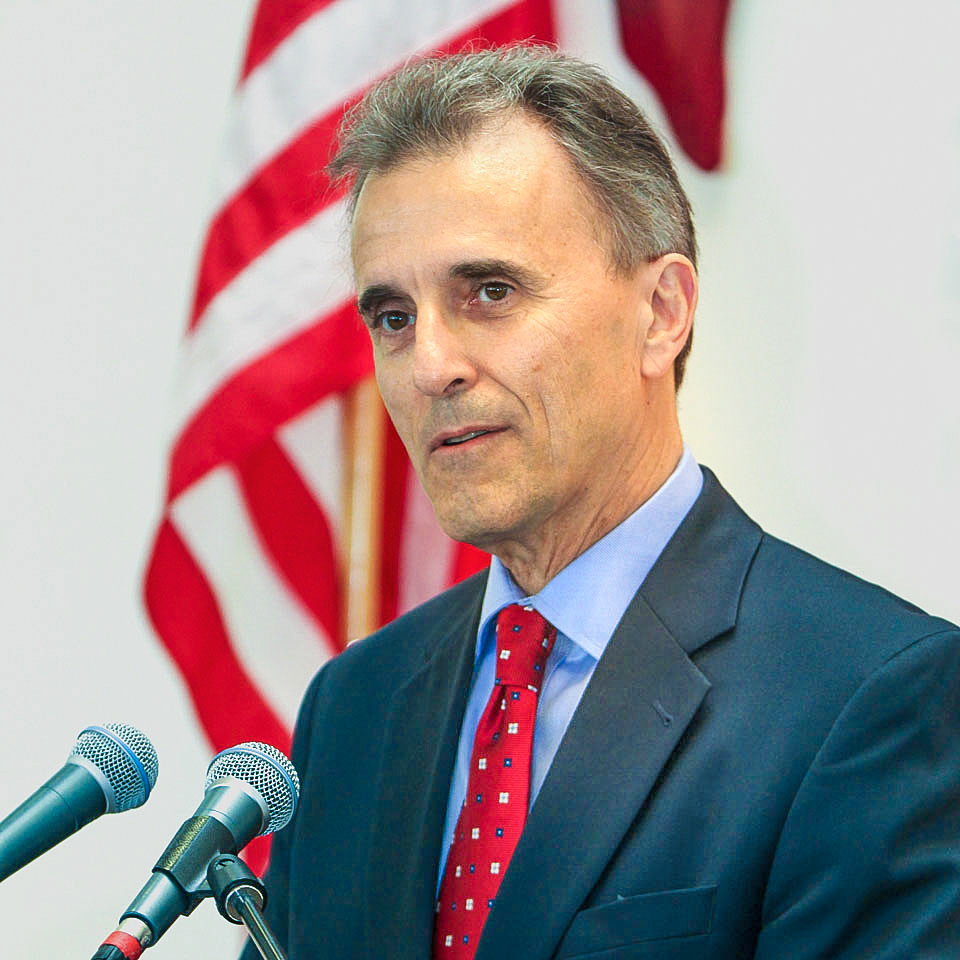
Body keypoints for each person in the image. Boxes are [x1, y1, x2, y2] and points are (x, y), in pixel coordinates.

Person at [244, 46, 960, 960]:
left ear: (662, 311)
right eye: (393, 317)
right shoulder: (354, 704)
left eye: (490, 292)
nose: (429, 367)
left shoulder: (870, 695)